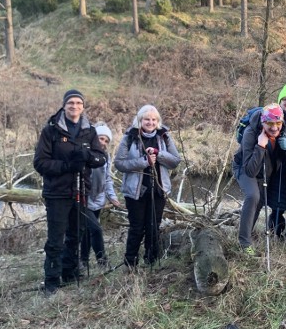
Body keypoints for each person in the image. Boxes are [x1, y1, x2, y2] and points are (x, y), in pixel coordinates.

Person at [33, 89, 107, 295]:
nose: (74, 107)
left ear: (83, 107)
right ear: (64, 105)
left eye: (78, 103)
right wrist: (67, 165)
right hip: (57, 192)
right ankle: (51, 281)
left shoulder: (89, 131)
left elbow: (101, 158)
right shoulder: (51, 131)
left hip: (81, 191)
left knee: (76, 234)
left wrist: (87, 157)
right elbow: (40, 163)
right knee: (56, 238)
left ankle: (70, 272)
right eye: (70, 103)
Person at [114, 105, 182, 267]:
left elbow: (175, 161)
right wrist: (144, 162)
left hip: (158, 190)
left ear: (157, 121)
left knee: (153, 226)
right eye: (146, 119)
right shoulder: (130, 137)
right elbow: (119, 163)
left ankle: (152, 260)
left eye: (153, 119)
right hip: (135, 192)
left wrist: (159, 154)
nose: (150, 122)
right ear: (140, 120)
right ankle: (130, 262)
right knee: (137, 228)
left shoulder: (164, 136)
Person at [234, 104, 286, 255]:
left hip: (269, 168)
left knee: (260, 201)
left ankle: (247, 233)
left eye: (278, 123)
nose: (274, 128)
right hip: (245, 167)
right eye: (270, 124)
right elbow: (250, 170)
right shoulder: (251, 132)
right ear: (263, 122)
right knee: (253, 196)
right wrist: (260, 145)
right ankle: (244, 243)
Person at [81, 122, 122, 269]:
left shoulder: (104, 157)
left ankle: (83, 261)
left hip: (98, 199)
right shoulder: (85, 152)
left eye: (106, 140)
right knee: (96, 229)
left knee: (88, 230)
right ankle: (102, 261)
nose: (103, 142)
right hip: (83, 198)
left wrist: (112, 197)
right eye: (101, 138)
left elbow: (107, 179)